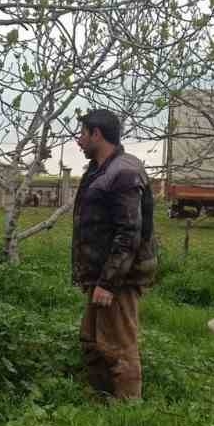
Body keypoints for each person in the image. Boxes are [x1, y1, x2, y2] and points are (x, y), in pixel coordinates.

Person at [71, 108, 157, 400]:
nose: (79, 141)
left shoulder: (124, 172)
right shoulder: (100, 169)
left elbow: (128, 232)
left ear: (97, 134)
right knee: (93, 340)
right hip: (101, 275)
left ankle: (127, 414)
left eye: (83, 133)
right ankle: (101, 400)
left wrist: (109, 282)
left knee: (118, 346)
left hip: (117, 277)